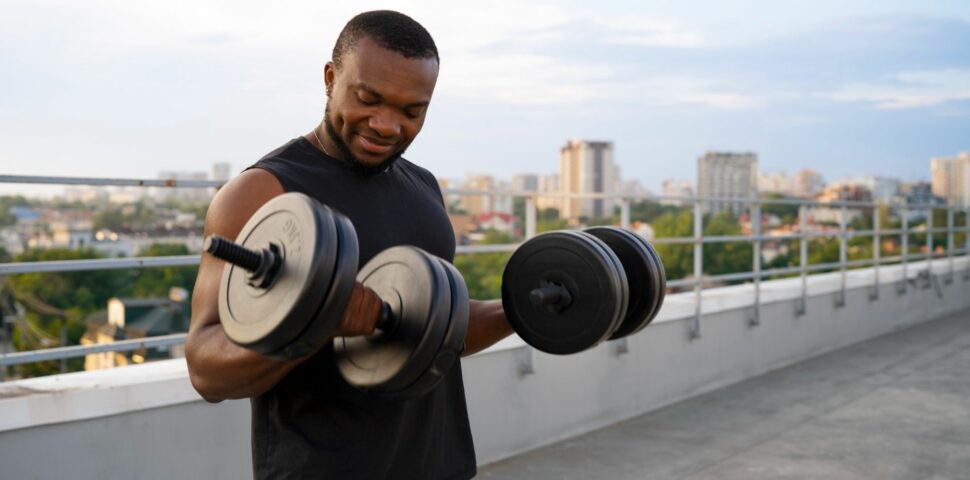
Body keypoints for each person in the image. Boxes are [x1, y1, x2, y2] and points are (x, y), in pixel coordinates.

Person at [185, 10, 513, 480]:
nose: (386, 125)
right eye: (368, 98)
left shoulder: (424, 188)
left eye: (411, 111)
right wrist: (314, 324)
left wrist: (521, 310)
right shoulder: (262, 193)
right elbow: (206, 370)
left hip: (440, 465)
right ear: (330, 77)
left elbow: (436, 327)